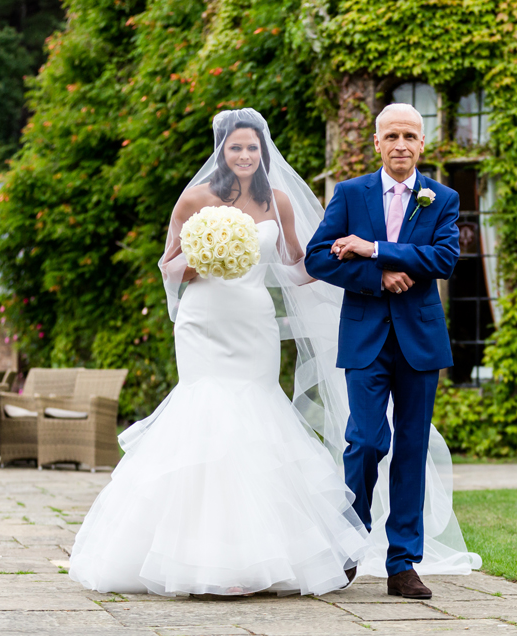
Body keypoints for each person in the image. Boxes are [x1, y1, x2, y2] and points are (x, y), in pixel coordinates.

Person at [68, 109, 368, 596]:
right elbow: (168, 266)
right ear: (222, 151)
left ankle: (260, 557)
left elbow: (294, 267)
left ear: (263, 152)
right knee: (204, 411)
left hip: (253, 324)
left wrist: (336, 259)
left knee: (256, 413)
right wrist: (204, 257)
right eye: (236, 147)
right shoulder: (195, 198)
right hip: (204, 324)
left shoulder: (278, 202)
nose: (245, 155)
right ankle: (194, 558)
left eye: (252, 148)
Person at [305, 103, 480, 600]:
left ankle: (402, 563)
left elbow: (444, 259)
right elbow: (317, 258)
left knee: (410, 449)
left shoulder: (442, 198)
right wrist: (377, 275)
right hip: (365, 338)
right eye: (391, 136)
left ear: (422, 143)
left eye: (409, 136)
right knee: (364, 441)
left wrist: (374, 248)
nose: (400, 144)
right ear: (377, 143)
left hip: (420, 341)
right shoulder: (350, 193)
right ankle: (348, 544)